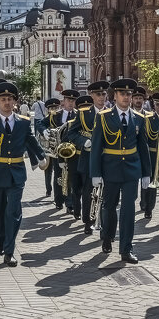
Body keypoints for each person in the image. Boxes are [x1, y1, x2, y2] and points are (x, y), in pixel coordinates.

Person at [0, 81, 47, 267]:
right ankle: (0, 242)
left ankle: (9, 251)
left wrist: (41, 156)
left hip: (16, 174)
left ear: (15, 101)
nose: (6, 102)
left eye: (10, 99)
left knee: (13, 212)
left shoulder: (23, 122)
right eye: (2, 99)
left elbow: (31, 142)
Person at [90, 78, 152, 264]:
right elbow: (96, 146)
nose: (126, 97)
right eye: (122, 94)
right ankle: (108, 236)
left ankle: (126, 248)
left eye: (129, 94)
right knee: (109, 207)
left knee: (128, 209)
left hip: (131, 169)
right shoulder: (103, 116)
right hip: (110, 167)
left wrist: (146, 173)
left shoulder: (140, 118)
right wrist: (95, 173)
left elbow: (143, 147)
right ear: (114, 96)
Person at [64, 93, 97, 232]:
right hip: (81, 158)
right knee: (81, 189)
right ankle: (87, 219)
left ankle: (98, 220)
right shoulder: (81, 117)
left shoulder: (108, 113)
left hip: (104, 159)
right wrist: (85, 142)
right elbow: (69, 136)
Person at [141, 92, 159, 222]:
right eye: (158, 104)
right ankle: (148, 208)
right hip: (152, 155)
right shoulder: (148, 119)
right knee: (150, 183)